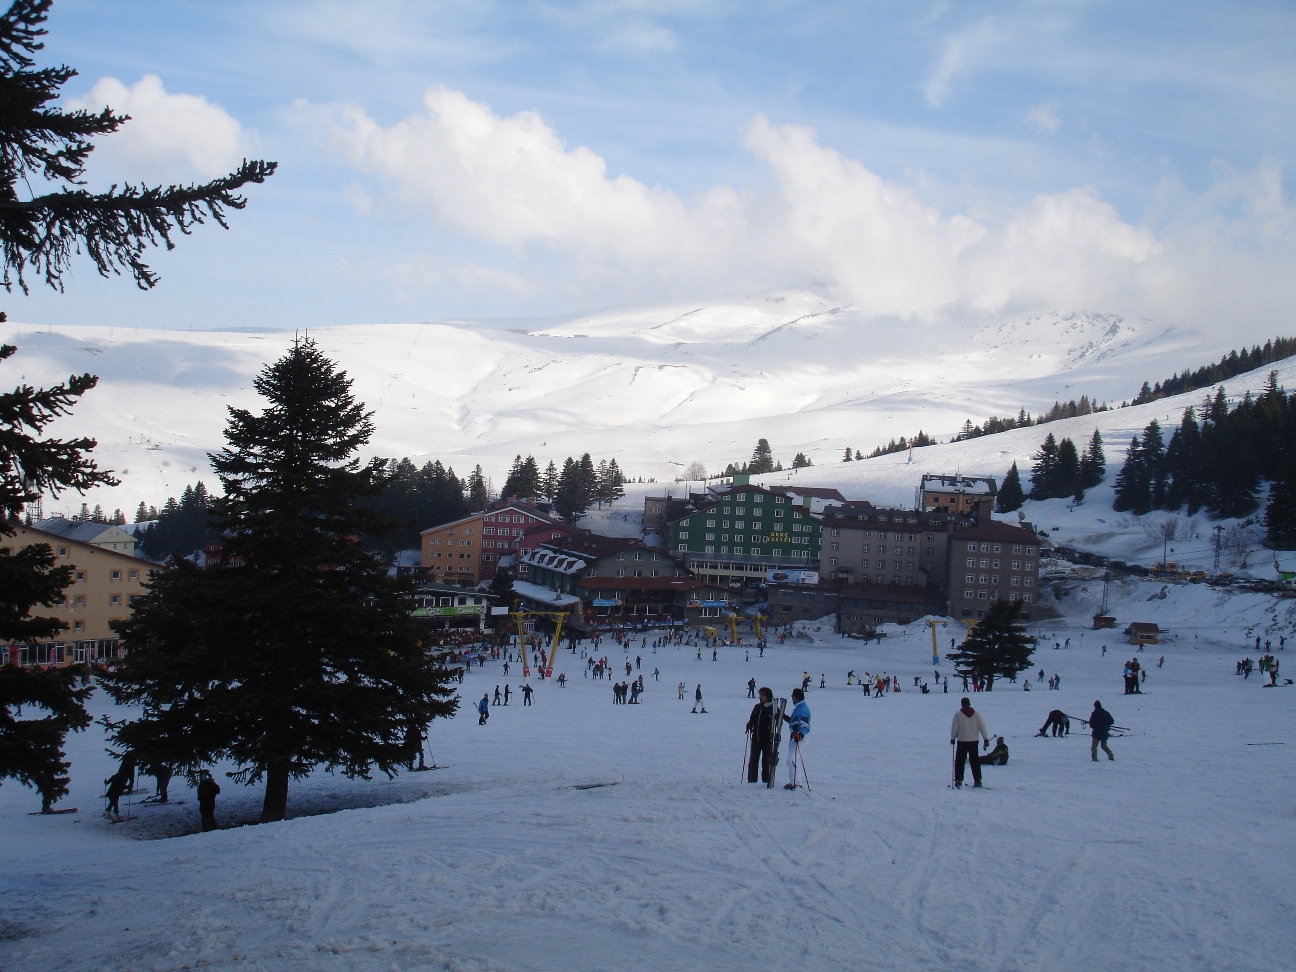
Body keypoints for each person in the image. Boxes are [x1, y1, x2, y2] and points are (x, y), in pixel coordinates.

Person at [950, 697, 990, 788]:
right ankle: (978, 780)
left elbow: (954, 728)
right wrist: (985, 738)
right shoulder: (976, 714)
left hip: (962, 741)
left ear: (962, 704)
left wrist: (953, 738)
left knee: (960, 761)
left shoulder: (958, 715)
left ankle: (959, 780)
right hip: (974, 741)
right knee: (975, 761)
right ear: (969, 703)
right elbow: (982, 727)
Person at [746, 687, 778, 783]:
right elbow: (752, 719)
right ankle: (752, 780)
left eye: (762, 695)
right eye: (760, 695)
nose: (760, 697)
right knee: (753, 760)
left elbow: (780, 719)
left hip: (767, 738)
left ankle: (766, 780)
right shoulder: (757, 707)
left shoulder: (773, 708)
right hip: (756, 737)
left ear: (768, 697)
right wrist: (750, 724)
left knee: (766, 760)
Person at [783, 688, 811, 789]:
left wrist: (800, 735)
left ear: (796, 697)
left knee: (791, 760)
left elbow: (805, 725)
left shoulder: (803, 709)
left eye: (792, 696)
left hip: (799, 738)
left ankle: (795, 783)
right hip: (794, 737)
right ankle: (795, 782)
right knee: (795, 759)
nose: (791, 697)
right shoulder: (799, 707)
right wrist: (784, 717)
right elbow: (793, 721)